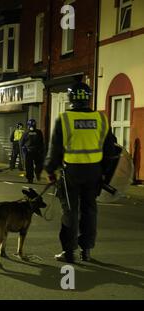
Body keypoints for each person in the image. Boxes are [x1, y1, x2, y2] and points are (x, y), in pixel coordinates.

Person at [45, 82, 116, 263]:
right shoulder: (101, 119)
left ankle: (69, 253)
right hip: (94, 172)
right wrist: (104, 173)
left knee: (70, 211)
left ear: (71, 99)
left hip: (72, 172)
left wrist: (50, 170)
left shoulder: (65, 119)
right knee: (89, 211)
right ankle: (87, 251)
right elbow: (109, 150)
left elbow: (55, 149)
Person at [20, 119, 45, 184]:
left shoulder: (27, 133)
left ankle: (34, 176)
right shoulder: (28, 133)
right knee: (30, 167)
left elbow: (21, 143)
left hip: (35, 152)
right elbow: (21, 143)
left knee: (34, 166)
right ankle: (31, 178)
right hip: (30, 152)